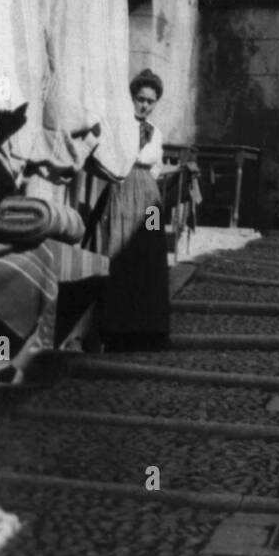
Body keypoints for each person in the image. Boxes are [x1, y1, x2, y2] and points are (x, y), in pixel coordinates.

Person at [98, 69, 173, 351]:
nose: (144, 105)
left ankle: (148, 329)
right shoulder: (119, 125)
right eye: (140, 99)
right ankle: (118, 330)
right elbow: (122, 156)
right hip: (122, 190)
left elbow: (152, 163)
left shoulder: (156, 132)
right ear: (132, 98)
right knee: (120, 253)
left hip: (148, 199)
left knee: (148, 255)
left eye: (150, 101)